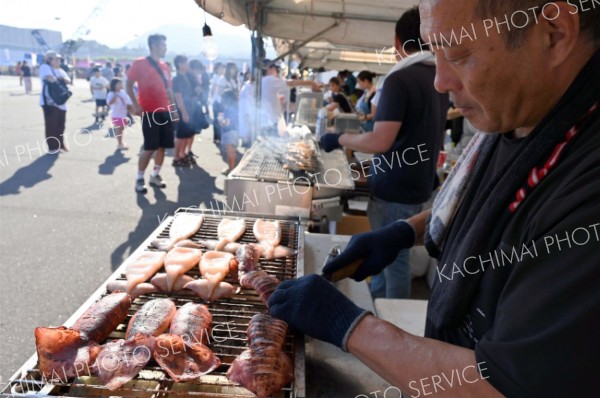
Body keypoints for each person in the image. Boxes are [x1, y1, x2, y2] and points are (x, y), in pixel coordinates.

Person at [270, 1, 600, 397]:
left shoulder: (587, 187)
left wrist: (352, 327)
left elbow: (501, 386)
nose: (440, 82)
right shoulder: (521, 117)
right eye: (434, 53)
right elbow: (483, 209)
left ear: (555, 33)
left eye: (458, 54)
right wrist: (403, 232)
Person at [321, 8, 448, 299]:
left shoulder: (398, 80)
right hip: (418, 186)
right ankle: (378, 309)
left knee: (394, 261)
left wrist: (337, 137)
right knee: (386, 260)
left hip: (395, 189)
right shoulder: (438, 78)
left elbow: (381, 141)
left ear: (398, 42)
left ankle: (391, 325)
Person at [126, 33, 174, 194]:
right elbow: (128, 84)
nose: (166, 48)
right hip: (150, 111)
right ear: (154, 46)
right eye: (163, 45)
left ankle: (155, 175)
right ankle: (139, 178)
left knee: (162, 147)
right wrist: (135, 104)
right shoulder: (140, 63)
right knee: (149, 147)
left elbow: (168, 90)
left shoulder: (165, 66)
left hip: (165, 111)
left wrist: (173, 110)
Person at [260, 60, 320, 136]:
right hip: (270, 124)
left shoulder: (262, 82)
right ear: (269, 69)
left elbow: (281, 104)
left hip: (267, 124)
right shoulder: (269, 79)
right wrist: (311, 83)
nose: (277, 72)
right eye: (276, 69)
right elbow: (290, 83)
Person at [39, 51, 70, 153]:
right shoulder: (45, 67)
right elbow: (49, 78)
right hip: (50, 102)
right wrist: (59, 80)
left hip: (61, 101)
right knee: (51, 125)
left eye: (59, 59)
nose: (58, 61)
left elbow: (68, 80)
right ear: (49, 59)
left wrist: (63, 79)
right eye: (56, 59)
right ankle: (53, 147)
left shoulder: (60, 70)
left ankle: (61, 144)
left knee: (61, 125)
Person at [171, 55, 196, 167]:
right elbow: (178, 96)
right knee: (181, 136)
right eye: (186, 63)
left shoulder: (184, 76)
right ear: (180, 64)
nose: (187, 65)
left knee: (186, 135)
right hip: (182, 110)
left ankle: (182, 155)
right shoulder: (177, 78)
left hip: (187, 109)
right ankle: (176, 158)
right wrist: (184, 112)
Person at [217, 89, 239, 173]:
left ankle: (231, 169)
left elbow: (227, 123)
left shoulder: (230, 109)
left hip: (230, 132)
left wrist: (221, 120)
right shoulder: (234, 107)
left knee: (230, 151)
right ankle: (231, 168)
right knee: (232, 150)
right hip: (234, 132)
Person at [107, 77, 132, 150]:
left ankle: (121, 142)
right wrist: (115, 95)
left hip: (123, 114)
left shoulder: (122, 92)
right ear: (114, 85)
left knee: (122, 129)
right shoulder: (111, 93)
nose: (121, 85)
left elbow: (128, 101)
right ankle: (119, 143)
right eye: (119, 84)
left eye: (121, 84)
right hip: (116, 115)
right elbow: (109, 102)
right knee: (119, 129)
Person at [238, 71, 256, 147]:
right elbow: (243, 99)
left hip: (252, 111)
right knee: (246, 129)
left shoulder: (255, 85)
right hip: (245, 111)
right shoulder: (246, 85)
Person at [210, 62, 226, 144]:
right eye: (220, 68)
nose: (222, 70)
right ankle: (216, 137)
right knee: (217, 120)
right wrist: (212, 99)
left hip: (219, 102)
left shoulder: (222, 77)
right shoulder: (216, 77)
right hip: (217, 102)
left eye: (223, 68)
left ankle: (219, 137)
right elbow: (213, 89)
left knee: (219, 119)